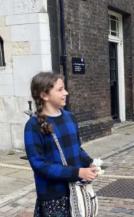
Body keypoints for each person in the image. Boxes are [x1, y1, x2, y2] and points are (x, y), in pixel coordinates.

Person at [24, 72, 97, 217]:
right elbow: (39, 165)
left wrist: (90, 162)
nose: (66, 92)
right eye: (60, 89)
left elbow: (77, 149)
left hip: (75, 190)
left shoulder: (70, 117)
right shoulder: (33, 126)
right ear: (44, 95)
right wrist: (77, 172)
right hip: (53, 195)